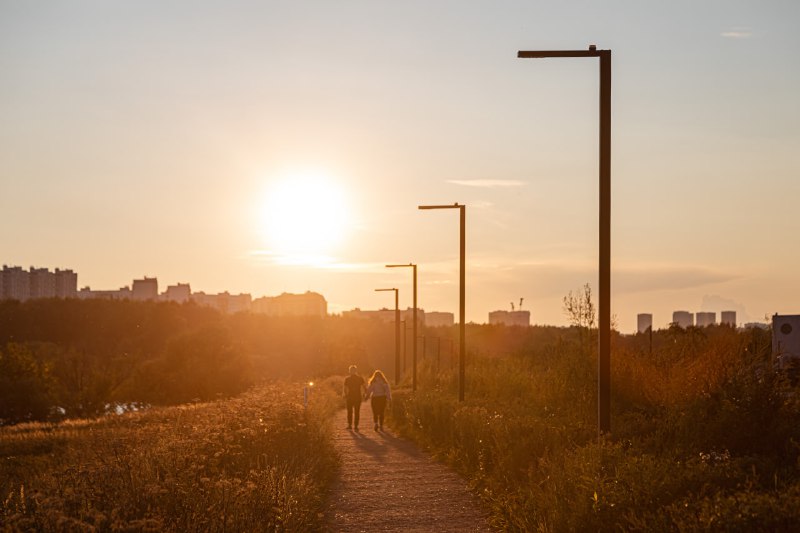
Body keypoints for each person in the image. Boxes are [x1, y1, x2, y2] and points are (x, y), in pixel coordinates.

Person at [343, 365, 366, 430]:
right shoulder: (360, 378)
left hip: (350, 397)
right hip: (357, 397)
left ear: (349, 371)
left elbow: (345, 388)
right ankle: (356, 426)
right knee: (357, 411)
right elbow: (364, 387)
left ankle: (350, 425)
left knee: (349, 411)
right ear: (356, 371)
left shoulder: (347, 379)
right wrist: (364, 394)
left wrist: (345, 395)